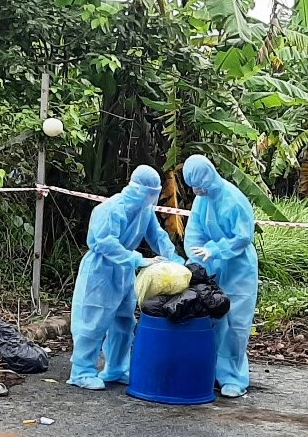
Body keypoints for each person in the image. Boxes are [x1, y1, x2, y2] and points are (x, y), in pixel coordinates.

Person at [67, 165, 184, 390]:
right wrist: (137, 260)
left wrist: (176, 261)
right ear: (138, 189)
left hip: (124, 272)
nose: (152, 199)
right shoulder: (110, 209)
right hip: (100, 270)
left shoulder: (144, 211)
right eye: (150, 193)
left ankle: (117, 368)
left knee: (124, 321)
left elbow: (157, 236)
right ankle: (82, 371)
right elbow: (104, 242)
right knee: (93, 321)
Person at [182, 155, 258, 398]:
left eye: (198, 184)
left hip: (238, 268)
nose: (196, 190)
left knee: (236, 322)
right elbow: (194, 233)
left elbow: (243, 236)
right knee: (212, 319)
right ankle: (211, 372)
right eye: (192, 186)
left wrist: (216, 249)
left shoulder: (233, 199)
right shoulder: (201, 200)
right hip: (212, 267)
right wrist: (195, 261)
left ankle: (233, 377)